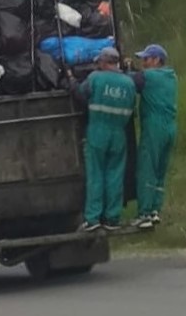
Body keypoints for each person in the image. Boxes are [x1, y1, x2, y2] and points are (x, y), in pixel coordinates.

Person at [69, 47, 137, 232]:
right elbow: (132, 108)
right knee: (115, 176)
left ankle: (93, 218)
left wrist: (72, 82)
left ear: (104, 62)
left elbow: (81, 95)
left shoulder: (95, 78)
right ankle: (112, 218)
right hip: (118, 133)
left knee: (96, 174)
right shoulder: (129, 83)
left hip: (98, 132)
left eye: (99, 62)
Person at [128, 44, 178, 229]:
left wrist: (124, 71)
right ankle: (156, 210)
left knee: (146, 170)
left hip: (153, 128)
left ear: (157, 60)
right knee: (159, 171)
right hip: (170, 127)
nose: (143, 63)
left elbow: (131, 82)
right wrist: (134, 69)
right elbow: (142, 78)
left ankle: (144, 214)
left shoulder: (148, 77)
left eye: (146, 59)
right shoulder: (171, 76)